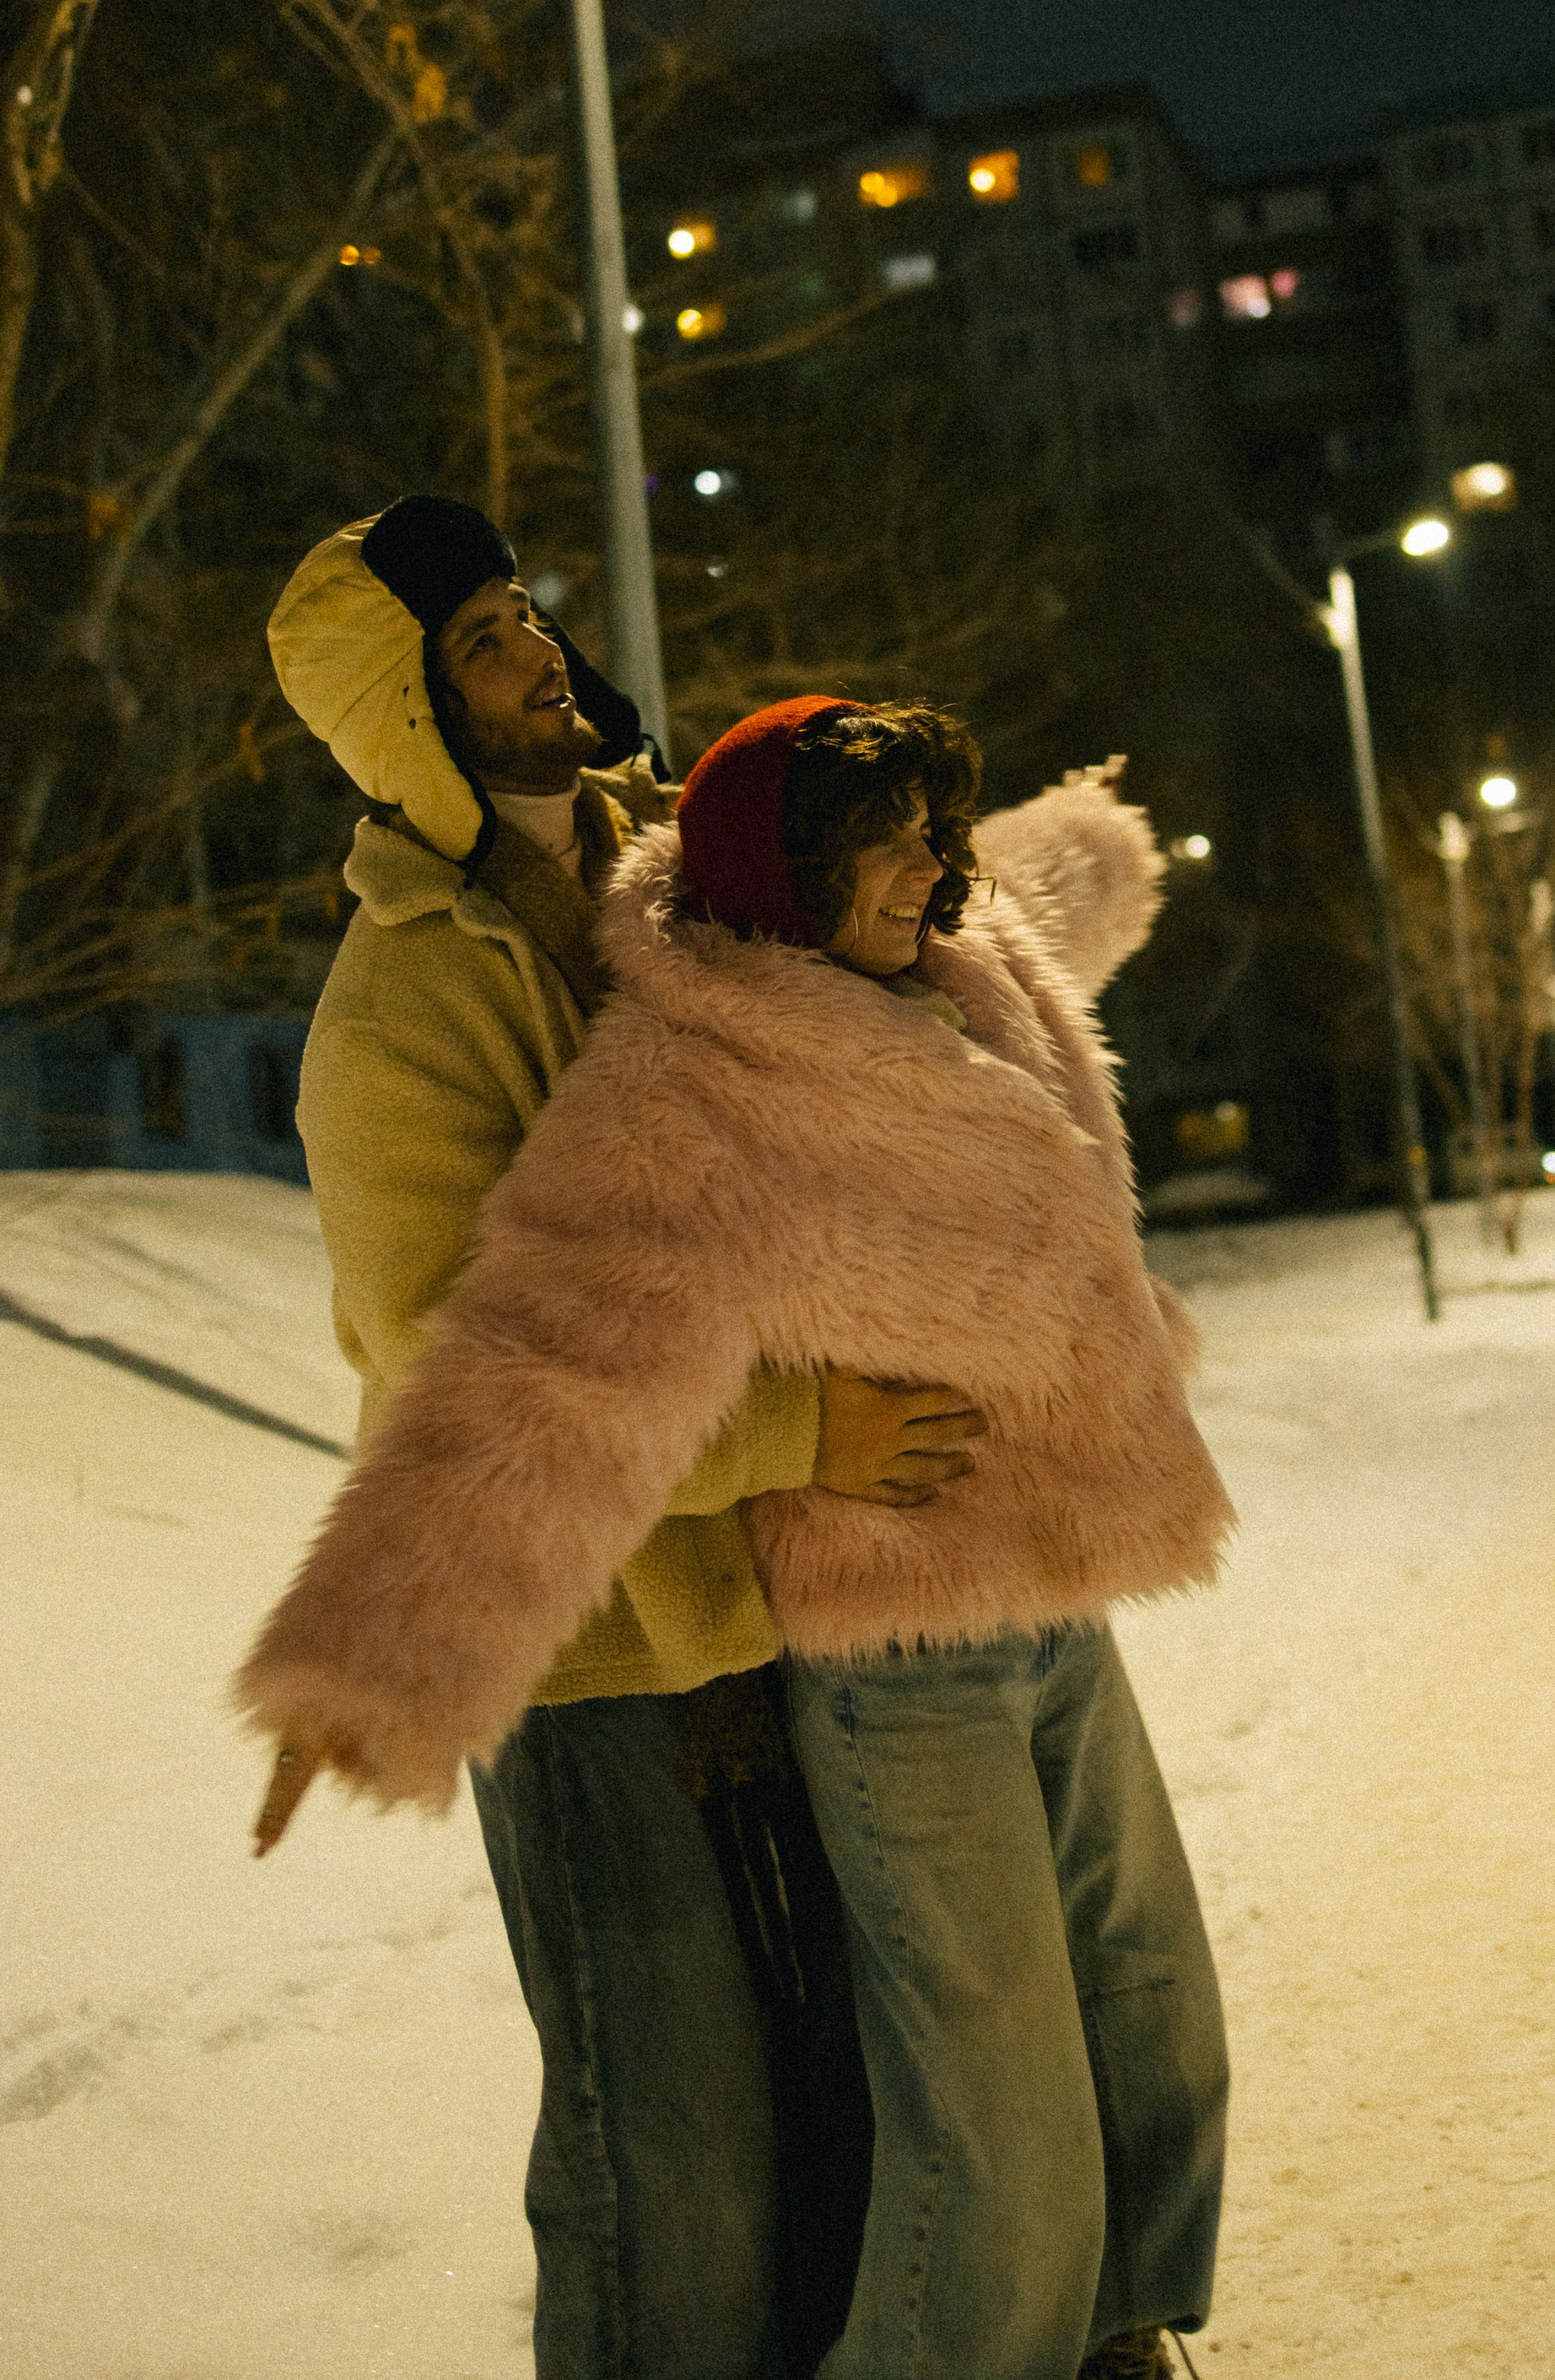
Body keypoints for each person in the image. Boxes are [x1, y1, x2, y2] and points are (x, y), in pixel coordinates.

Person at [236, 688, 1234, 2380]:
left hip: (1057, 1598)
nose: (936, 867)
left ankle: (1116, 2342)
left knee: (1151, 2019)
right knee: (997, 2116)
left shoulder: (966, 956)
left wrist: (1090, 816)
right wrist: (368, 1667)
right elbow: (550, 1368)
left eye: (940, 832)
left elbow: (1055, 886)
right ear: (791, 875)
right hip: (890, 1634)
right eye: (895, 841)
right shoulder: (695, 1077)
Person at [256, 506, 983, 2380]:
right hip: (584, 1654)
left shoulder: (688, 877)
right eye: (481, 639)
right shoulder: (397, 1012)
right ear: (405, 714)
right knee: (669, 2162)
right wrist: (802, 1423)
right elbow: (468, 1367)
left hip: (790, 1610)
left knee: (852, 2103)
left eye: (525, 611)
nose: (537, 651)